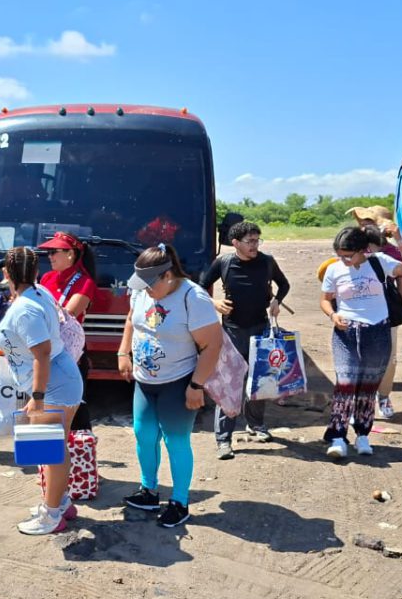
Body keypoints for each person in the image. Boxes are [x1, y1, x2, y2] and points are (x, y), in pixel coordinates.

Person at [117, 244, 222, 528]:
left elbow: (213, 345)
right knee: (144, 434)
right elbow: (131, 320)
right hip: (144, 380)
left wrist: (197, 385)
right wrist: (123, 353)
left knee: (176, 440)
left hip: (178, 382)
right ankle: (149, 491)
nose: (145, 290)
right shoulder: (142, 290)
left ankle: (179, 501)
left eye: (150, 284)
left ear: (167, 276)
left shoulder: (193, 298)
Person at [0, 247, 85, 535]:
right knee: (54, 447)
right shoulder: (40, 292)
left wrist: (37, 398)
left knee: (51, 451)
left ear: (6, 273)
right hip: (60, 377)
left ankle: (51, 515)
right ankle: (59, 502)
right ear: (35, 272)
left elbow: (42, 353)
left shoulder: (25, 309)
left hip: (54, 384)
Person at [319, 225, 402, 458]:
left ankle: (363, 435)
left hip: (377, 332)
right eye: (339, 255)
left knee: (368, 385)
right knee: (345, 383)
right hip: (346, 334)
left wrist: (399, 240)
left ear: (363, 250)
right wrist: (333, 315)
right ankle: (337, 437)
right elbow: (324, 300)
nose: (343, 260)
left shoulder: (380, 261)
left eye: (348, 255)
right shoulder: (334, 270)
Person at [199, 221, 291, 459]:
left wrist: (276, 301)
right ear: (235, 243)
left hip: (260, 329)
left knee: (259, 382)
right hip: (231, 331)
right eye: (250, 241)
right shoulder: (224, 263)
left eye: (257, 240)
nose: (255, 245)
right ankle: (223, 440)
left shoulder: (267, 262)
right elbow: (200, 288)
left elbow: (284, 284)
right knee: (230, 384)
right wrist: (215, 303)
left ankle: (256, 425)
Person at [347, 206, 402, 419]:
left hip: (386, 314)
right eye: (362, 224)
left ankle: (383, 396)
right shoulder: (350, 249)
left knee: (388, 359)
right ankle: (360, 402)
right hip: (357, 314)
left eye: (369, 223)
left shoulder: (390, 254)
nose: (364, 227)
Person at [37, 230, 98, 430]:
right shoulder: (46, 277)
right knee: (47, 405)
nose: (50, 256)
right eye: (49, 252)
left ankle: (81, 454)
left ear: (71, 254)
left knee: (75, 408)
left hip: (70, 354)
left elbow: (66, 315)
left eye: (55, 252)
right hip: (47, 349)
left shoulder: (85, 282)